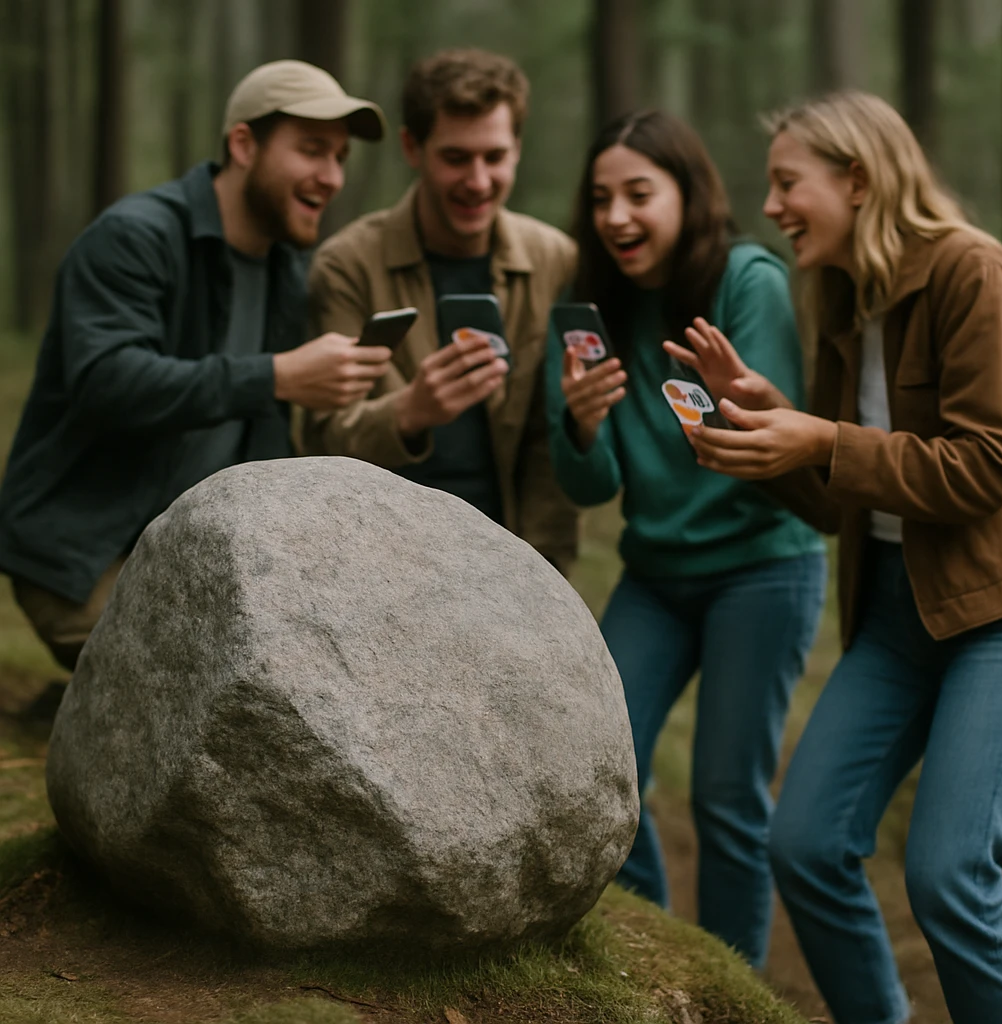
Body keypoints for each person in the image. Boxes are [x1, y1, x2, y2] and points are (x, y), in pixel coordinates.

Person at [678, 90, 1002, 1024]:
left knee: (949, 876)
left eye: (789, 183)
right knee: (805, 843)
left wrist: (819, 436)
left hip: (1001, 617)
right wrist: (760, 429)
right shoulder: (840, 294)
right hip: (895, 619)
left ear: (860, 179)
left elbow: (988, 467)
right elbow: (838, 501)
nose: (774, 205)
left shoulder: (971, 272)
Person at [546, 109, 826, 968]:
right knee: (604, 773)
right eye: (602, 198)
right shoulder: (597, 309)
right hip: (657, 574)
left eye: (639, 194)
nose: (617, 216)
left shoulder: (749, 281)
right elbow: (593, 487)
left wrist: (724, 416)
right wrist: (582, 426)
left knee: (725, 798)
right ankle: (654, 963)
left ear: (688, 192)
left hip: (761, 568)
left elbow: (766, 452)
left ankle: (731, 985)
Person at [0, 60, 392, 673]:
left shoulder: (288, 267)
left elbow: (261, 440)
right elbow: (108, 382)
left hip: (198, 548)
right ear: (242, 144)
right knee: (200, 681)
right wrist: (277, 375)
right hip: (88, 551)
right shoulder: (134, 237)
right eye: (313, 151)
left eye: (341, 157)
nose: (332, 176)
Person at [303, 48, 578, 571]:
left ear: (517, 149)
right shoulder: (348, 265)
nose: (477, 181)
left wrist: (546, 573)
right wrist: (408, 413)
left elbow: (552, 445)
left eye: (494, 157)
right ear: (412, 147)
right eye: (455, 158)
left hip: (516, 558)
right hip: (380, 558)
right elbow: (320, 439)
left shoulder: (555, 261)